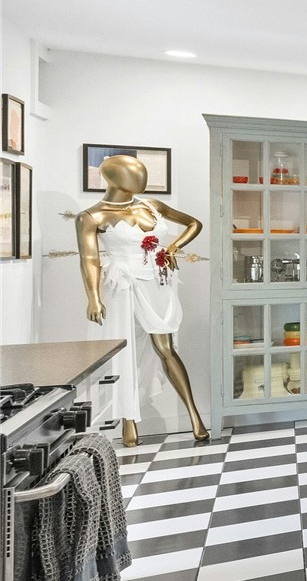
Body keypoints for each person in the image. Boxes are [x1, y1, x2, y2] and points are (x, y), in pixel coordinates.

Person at [74, 153, 209, 444]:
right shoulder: (92, 216)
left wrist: (172, 248)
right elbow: (89, 259)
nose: (141, 179)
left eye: (142, 173)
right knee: (125, 351)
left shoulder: (152, 205)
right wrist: (93, 296)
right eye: (134, 173)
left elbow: (194, 224)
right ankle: (128, 421)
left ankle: (194, 416)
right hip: (121, 285)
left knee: (165, 347)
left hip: (156, 284)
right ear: (113, 177)